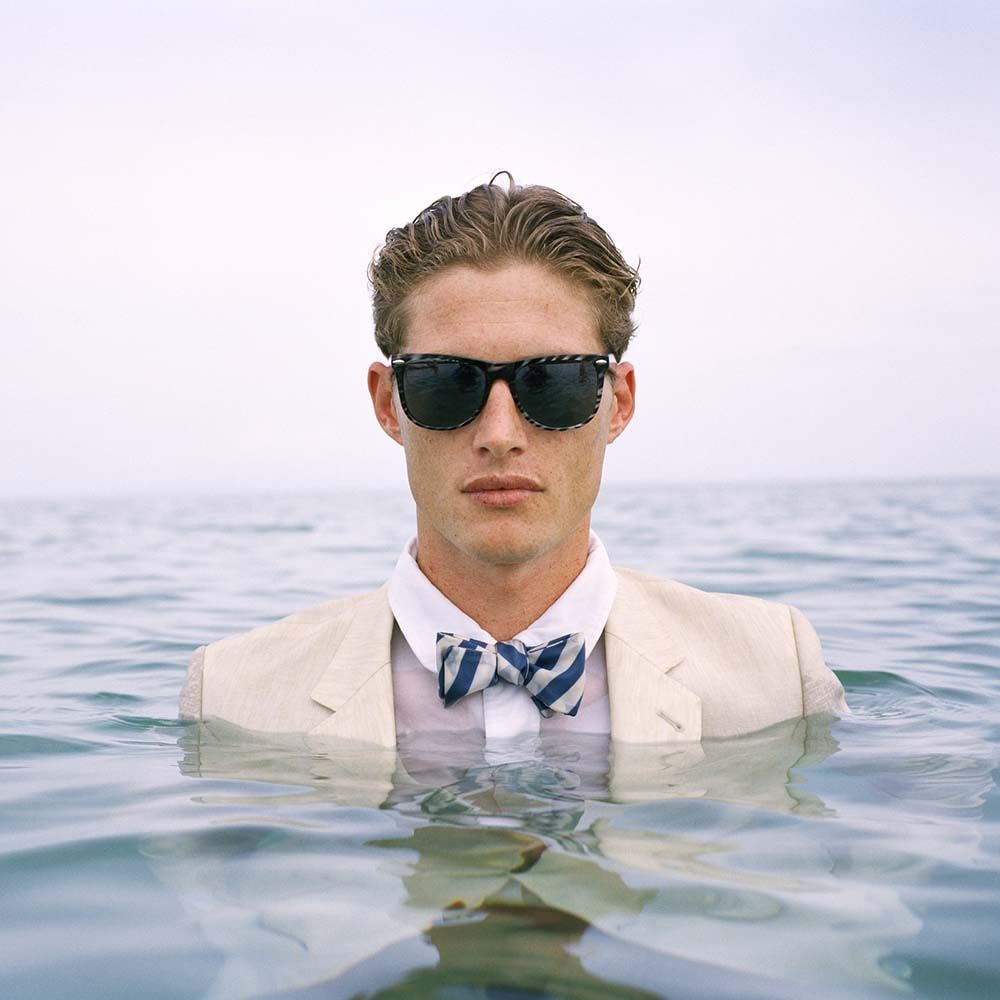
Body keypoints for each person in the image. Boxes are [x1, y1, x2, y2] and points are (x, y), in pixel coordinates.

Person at [179, 172, 848, 745]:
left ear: (617, 403)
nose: (500, 433)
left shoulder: (775, 674)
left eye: (552, 383)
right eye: (447, 382)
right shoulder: (234, 696)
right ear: (389, 403)